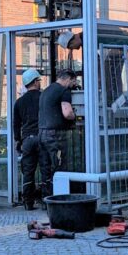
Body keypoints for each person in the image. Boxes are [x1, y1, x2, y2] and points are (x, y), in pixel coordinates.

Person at [38, 69, 78, 200]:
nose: (74, 85)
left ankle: (46, 200)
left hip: (42, 134)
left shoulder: (46, 91)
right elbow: (67, 113)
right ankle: (60, 200)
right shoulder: (64, 91)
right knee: (59, 167)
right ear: (68, 79)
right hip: (56, 135)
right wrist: (75, 116)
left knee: (46, 168)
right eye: (73, 82)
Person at [12, 68, 42, 210]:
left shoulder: (19, 102)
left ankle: (28, 202)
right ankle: (45, 201)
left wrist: (18, 140)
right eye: (39, 80)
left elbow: (16, 124)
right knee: (46, 169)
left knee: (28, 172)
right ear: (35, 82)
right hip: (42, 137)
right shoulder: (43, 98)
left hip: (27, 140)